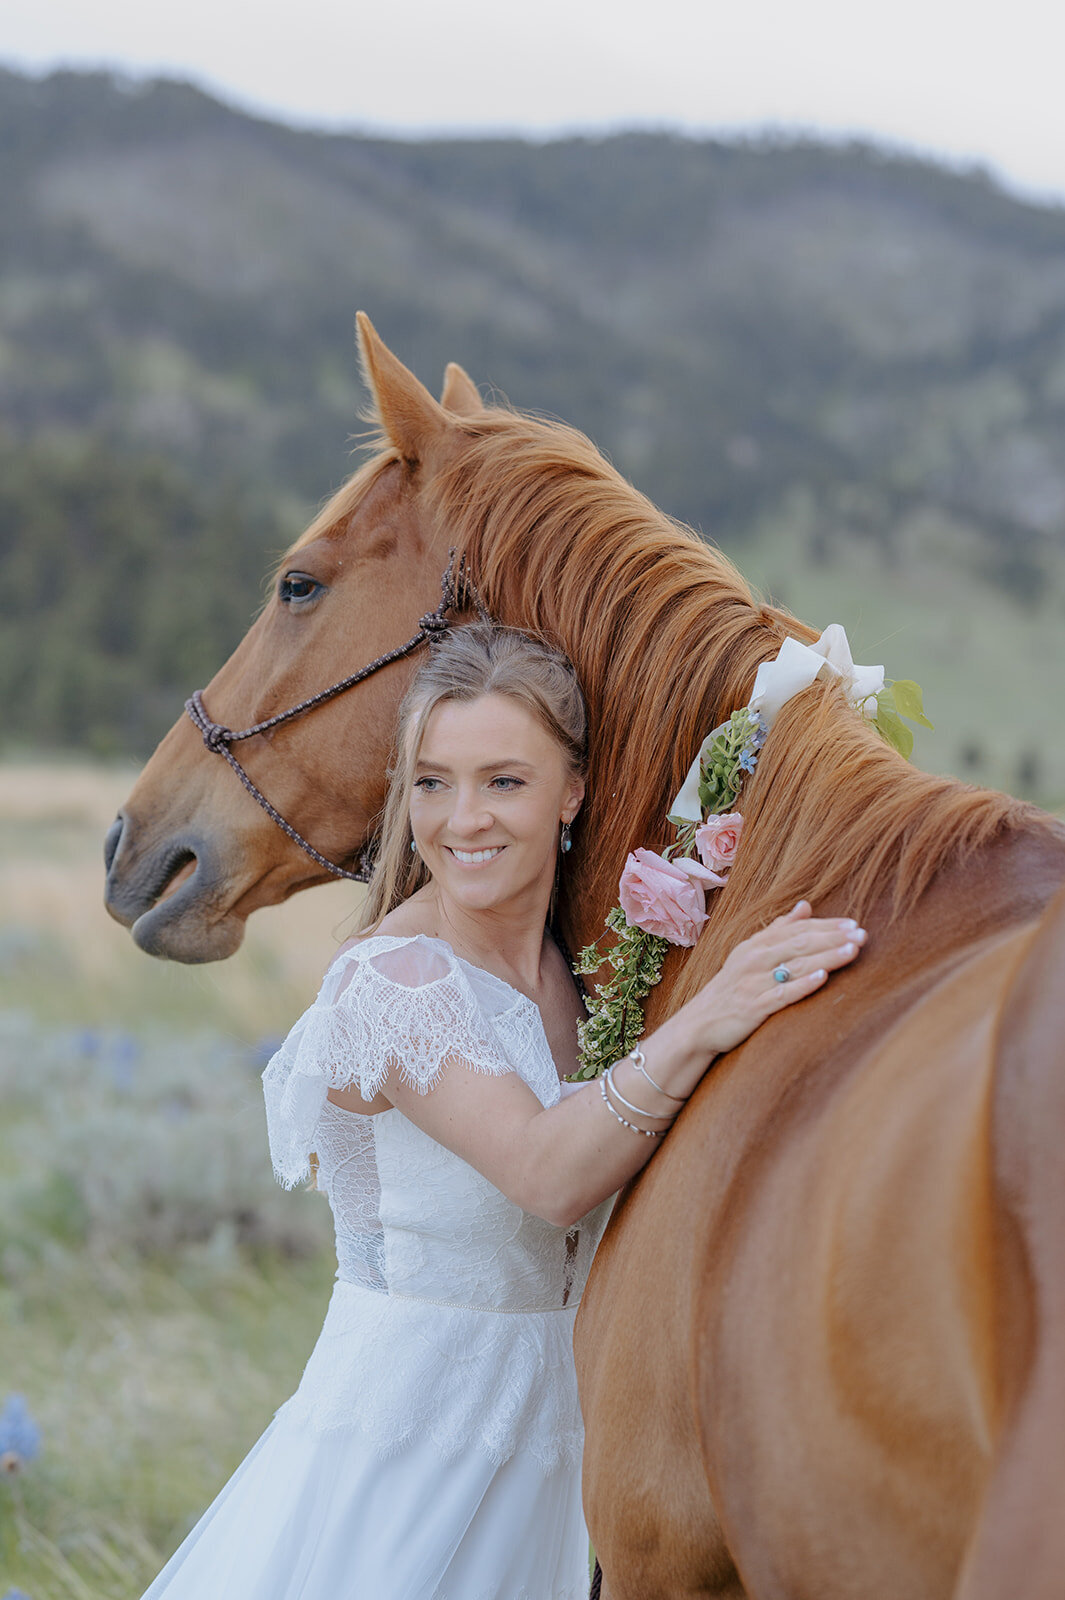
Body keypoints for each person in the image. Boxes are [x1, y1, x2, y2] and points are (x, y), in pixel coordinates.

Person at [141, 624, 865, 1600]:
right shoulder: (395, 982)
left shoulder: (578, 984)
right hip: (414, 1451)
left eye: (503, 781)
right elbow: (548, 1172)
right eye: (432, 781)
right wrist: (707, 1019)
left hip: (564, 1445)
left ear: (570, 793)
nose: (461, 817)